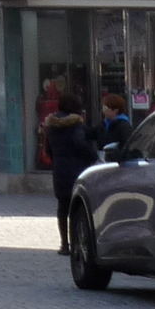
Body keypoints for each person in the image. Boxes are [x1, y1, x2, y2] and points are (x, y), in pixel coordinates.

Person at [43, 104, 95, 254]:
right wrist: (92, 156)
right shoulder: (76, 125)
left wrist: (58, 160)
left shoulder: (51, 127)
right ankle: (76, 243)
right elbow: (80, 143)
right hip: (77, 170)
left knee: (62, 208)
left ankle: (64, 244)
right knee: (77, 208)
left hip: (60, 170)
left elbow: (48, 150)